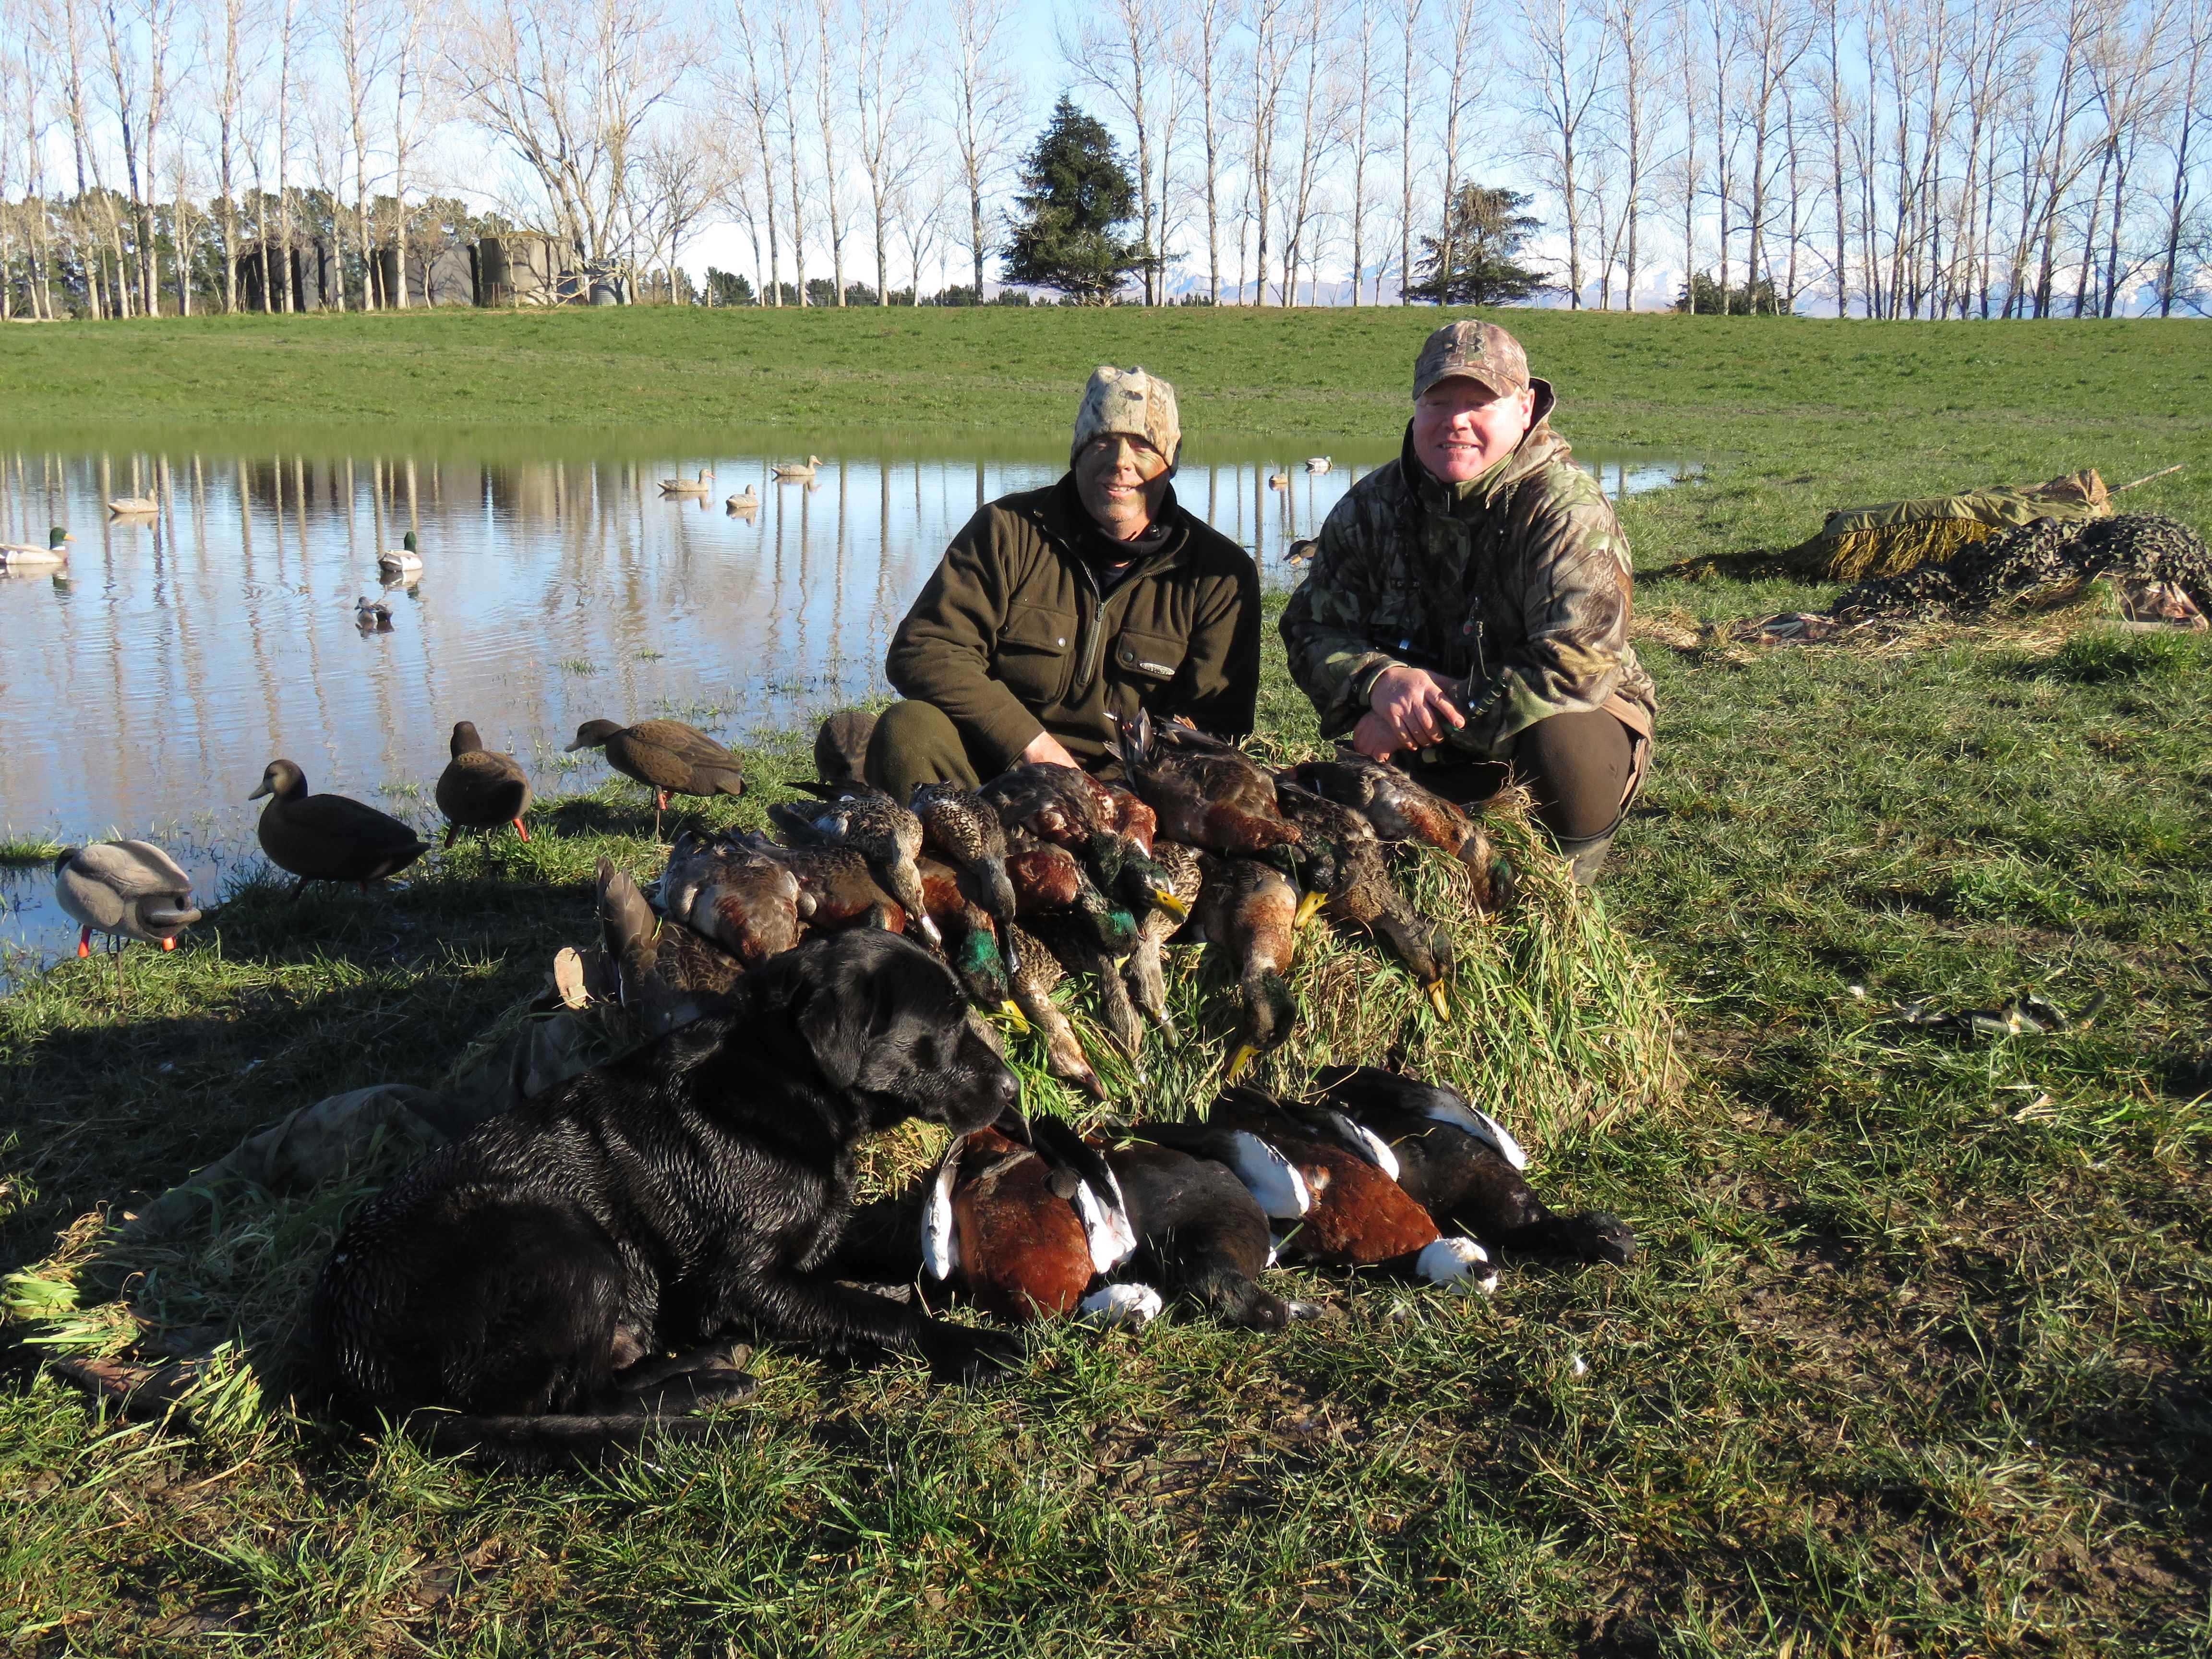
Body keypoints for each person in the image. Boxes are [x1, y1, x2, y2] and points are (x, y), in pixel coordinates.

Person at [1279, 319, 1656, 883]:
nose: (1456, 420)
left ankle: (1562, 875)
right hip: (1412, 737)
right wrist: (1378, 681)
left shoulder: (1566, 511)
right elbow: (1310, 628)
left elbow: (1575, 665)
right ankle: (1435, 830)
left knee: (1566, 738)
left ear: (1525, 409)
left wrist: (1422, 720)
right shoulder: (1371, 506)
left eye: (1480, 403)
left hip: (1548, 734)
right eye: (1439, 401)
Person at [864, 366, 1261, 798]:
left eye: (1143, 447)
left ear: (1170, 461)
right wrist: (1031, 748)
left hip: (1133, 796)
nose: (1121, 463)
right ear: (1078, 451)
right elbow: (925, 649)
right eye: (1103, 442)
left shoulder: (1220, 574)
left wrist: (1117, 801)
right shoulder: (1007, 531)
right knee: (908, 732)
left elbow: (1217, 727)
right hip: (998, 772)